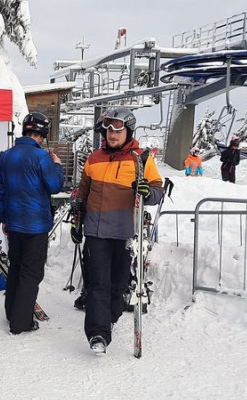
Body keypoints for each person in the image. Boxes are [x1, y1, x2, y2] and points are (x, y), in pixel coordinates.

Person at [75, 108, 164, 355]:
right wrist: (77, 221)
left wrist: (148, 192)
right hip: (96, 231)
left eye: (118, 130)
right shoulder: (94, 159)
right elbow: (82, 193)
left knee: (118, 285)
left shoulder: (141, 159)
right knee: (97, 284)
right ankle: (98, 333)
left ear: (128, 131)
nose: (112, 135)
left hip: (125, 232)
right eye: (109, 130)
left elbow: (158, 189)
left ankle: (110, 318)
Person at [0, 112, 64, 334]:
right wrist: (58, 165)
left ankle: (11, 313)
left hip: (14, 223)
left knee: (15, 267)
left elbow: (2, 191)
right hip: (35, 225)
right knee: (31, 273)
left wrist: (4, 219)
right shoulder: (42, 157)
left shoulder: (6, 156)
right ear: (43, 133)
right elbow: (54, 186)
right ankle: (21, 322)